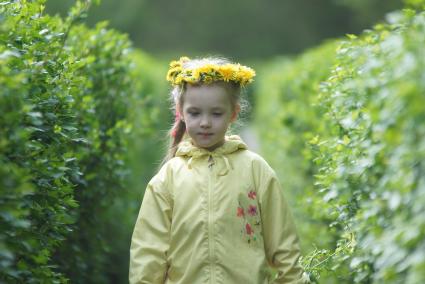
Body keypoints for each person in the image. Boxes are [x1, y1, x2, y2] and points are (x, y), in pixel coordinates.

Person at [129, 56, 310, 284]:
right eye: (195, 113)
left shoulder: (256, 170)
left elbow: (283, 245)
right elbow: (149, 251)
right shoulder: (168, 178)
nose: (205, 122)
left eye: (216, 113)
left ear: (233, 113)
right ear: (181, 112)